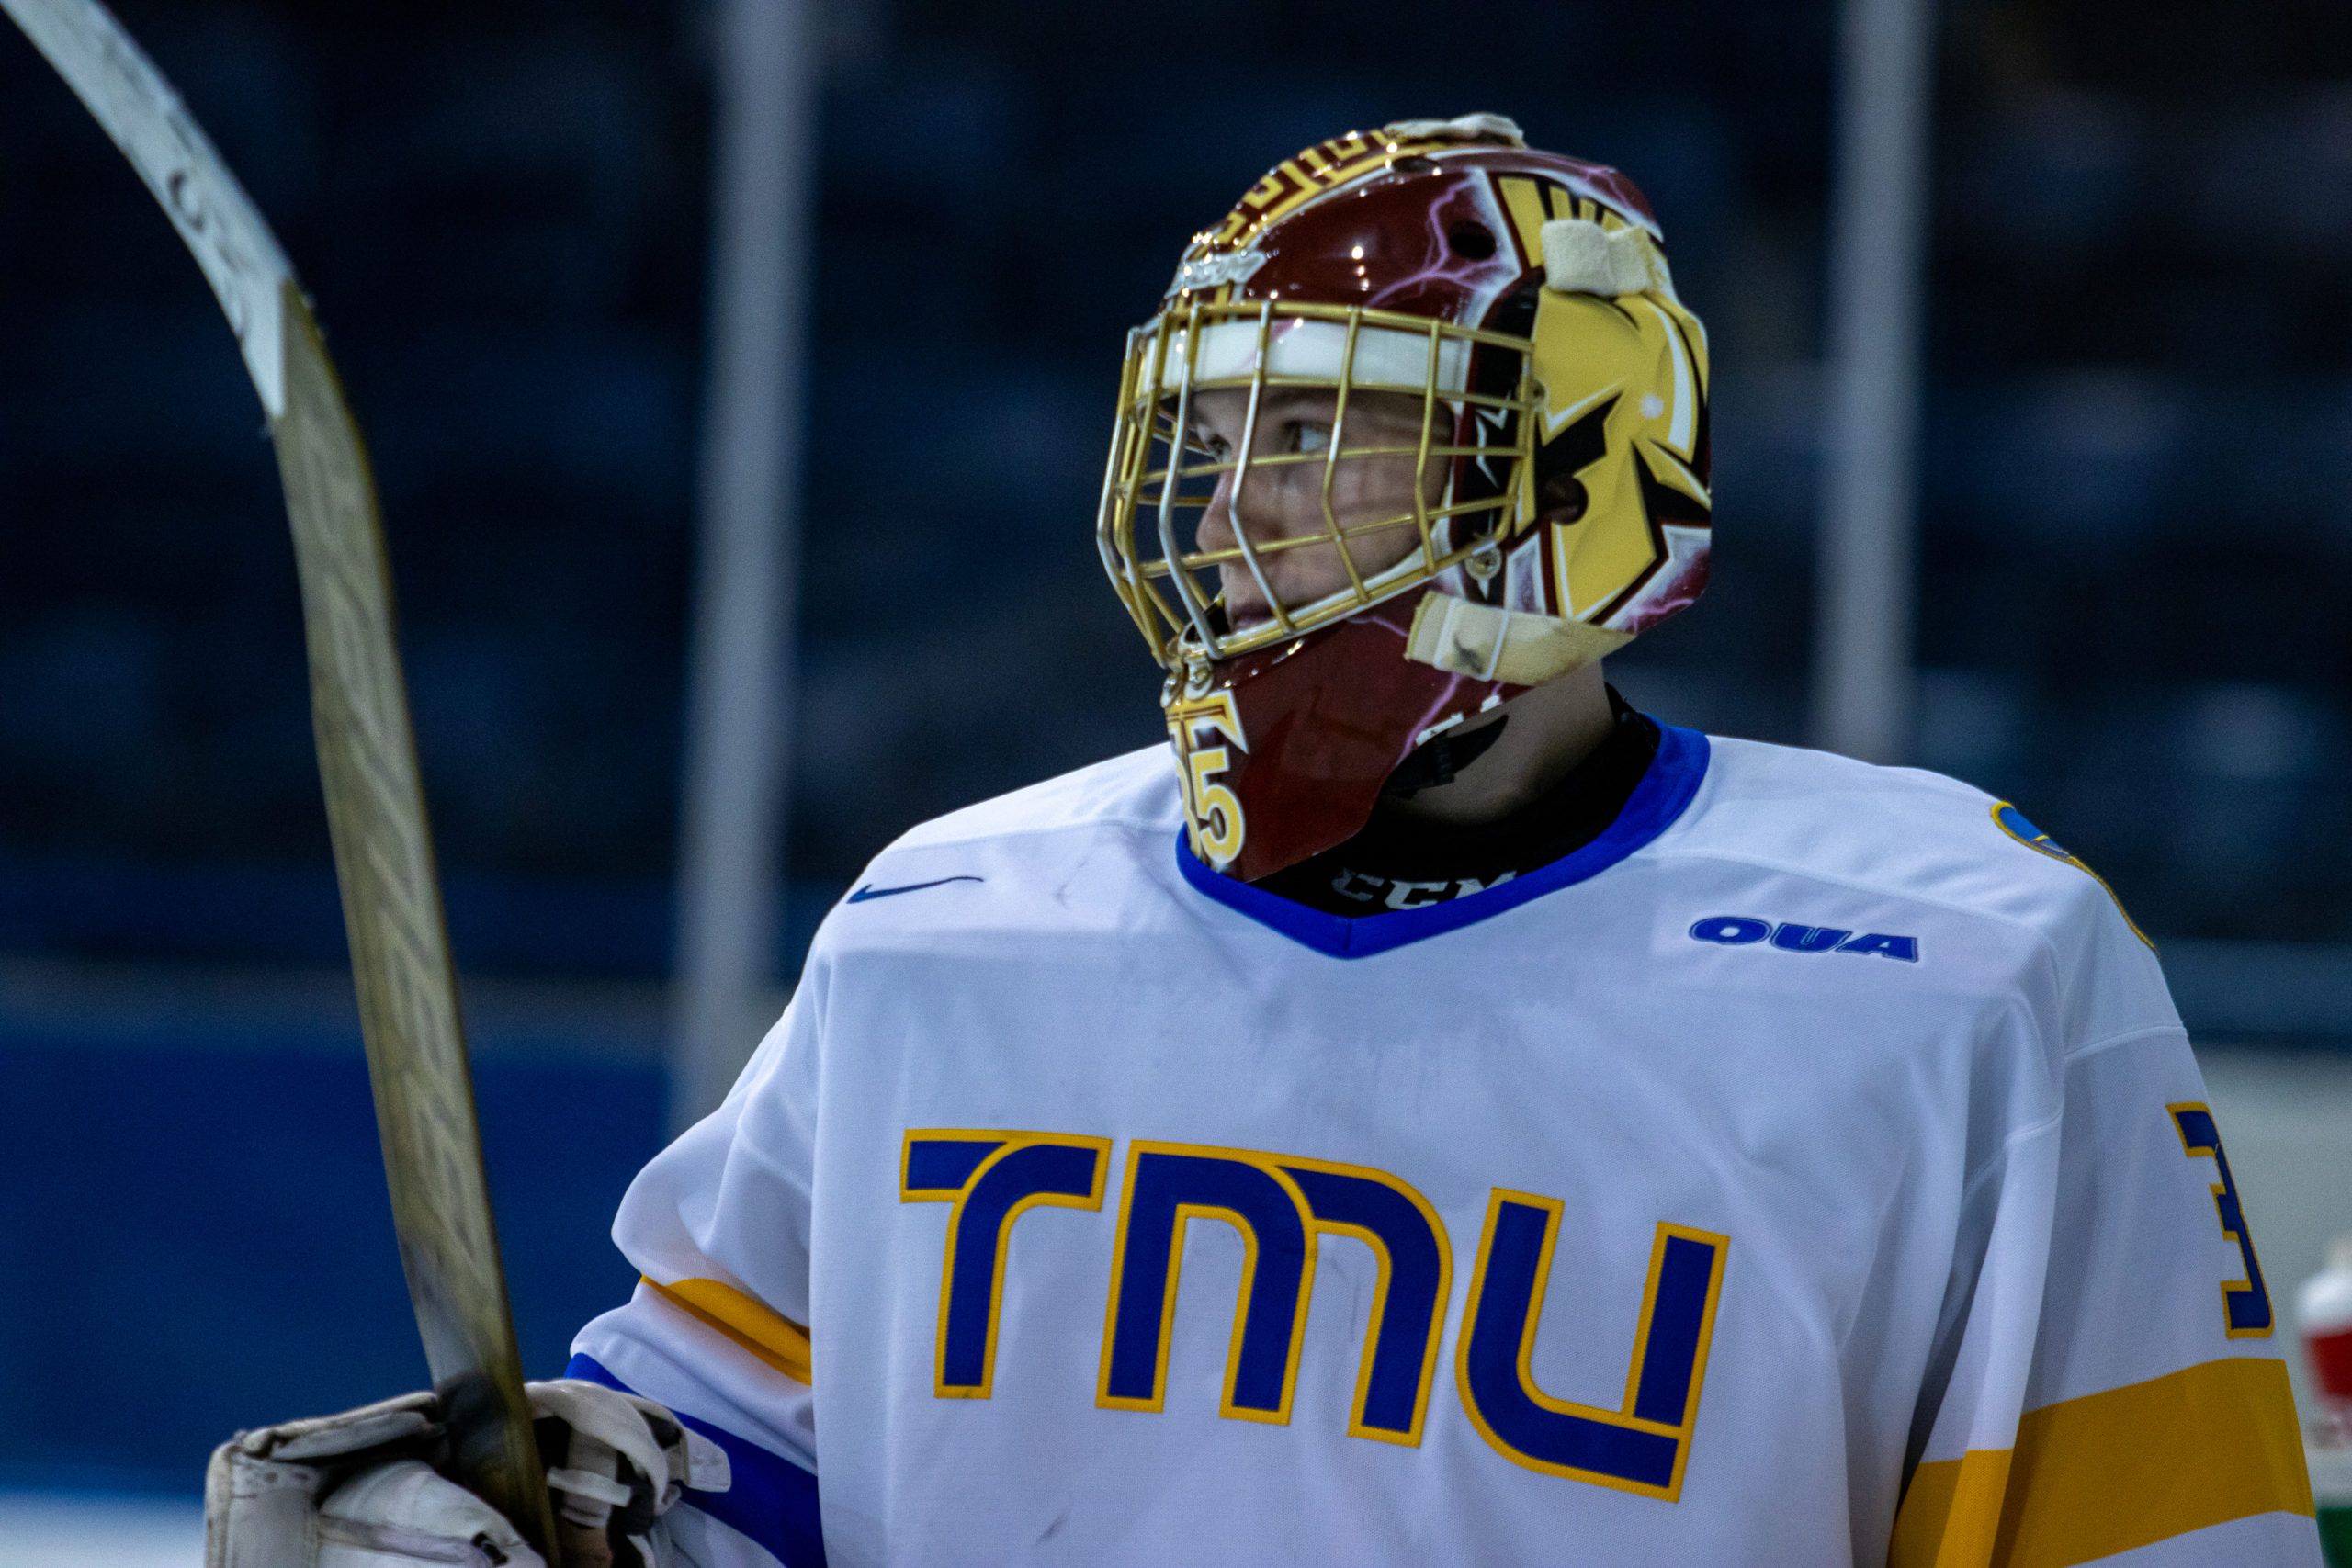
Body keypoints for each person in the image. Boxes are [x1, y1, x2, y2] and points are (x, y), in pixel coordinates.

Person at [207, 113, 2320, 1567]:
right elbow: (730, 1470)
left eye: (1321, 433)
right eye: (1207, 441)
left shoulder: (1959, 966)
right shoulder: (952, 923)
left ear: (1570, 471)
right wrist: (535, 1520)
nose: (1231, 517)